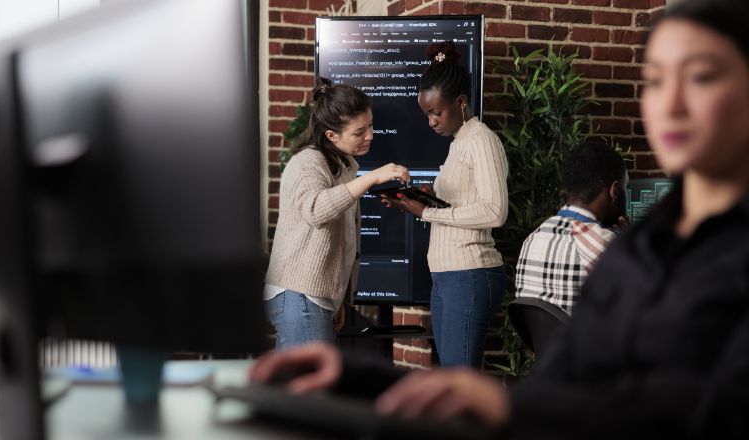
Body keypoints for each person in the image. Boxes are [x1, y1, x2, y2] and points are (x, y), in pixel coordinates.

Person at [251, 0, 749, 437]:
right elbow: (571, 394)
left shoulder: (712, 257)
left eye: (701, 75)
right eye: (656, 80)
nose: (671, 104)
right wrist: (363, 380)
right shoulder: (636, 251)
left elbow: (675, 407)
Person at [381, 41, 509, 368]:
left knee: (459, 382)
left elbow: (495, 211)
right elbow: (464, 203)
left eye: (436, 112)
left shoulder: (481, 139)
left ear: (461, 102)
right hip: (447, 275)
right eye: (427, 115)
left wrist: (428, 211)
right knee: (451, 379)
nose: (431, 122)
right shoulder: (459, 144)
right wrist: (424, 197)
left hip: (469, 273)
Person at [264, 78, 411, 349]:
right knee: (310, 387)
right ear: (332, 135)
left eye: (370, 126)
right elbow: (316, 210)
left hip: (313, 296)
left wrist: (339, 298)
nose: (370, 135)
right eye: (359, 132)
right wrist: (372, 178)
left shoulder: (343, 165)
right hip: (298, 294)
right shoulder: (307, 162)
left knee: (300, 386)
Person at [515, 142, 628, 316]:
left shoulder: (532, 239)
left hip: (545, 344)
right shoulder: (607, 245)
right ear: (614, 191)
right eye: (625, 188)